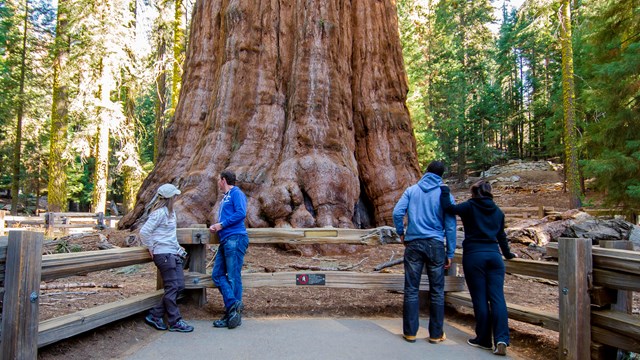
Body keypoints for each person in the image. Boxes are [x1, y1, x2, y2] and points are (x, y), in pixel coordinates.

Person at [440, 180, 516, 356]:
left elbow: (448, 208)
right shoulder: (498, 212)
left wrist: (444, 190)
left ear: (474, 192)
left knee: (480, 298)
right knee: (498, 298)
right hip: (495, 257)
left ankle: (483, 339)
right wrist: (508, 254)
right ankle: (502, 338)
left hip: (474, 256)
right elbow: (502, 237)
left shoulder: (469, 207)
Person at [392, 161, 457, 344]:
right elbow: (451, 226)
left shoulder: (412, 191)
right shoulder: (445, 194)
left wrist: (401, 233)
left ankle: (410, 332)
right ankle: (436, 334)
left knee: (411, 288)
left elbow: (398, 212)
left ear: (426, 172)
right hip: (436, 244)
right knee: (437, 290)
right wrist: (450, 252)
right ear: (441, 176)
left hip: (413, 244)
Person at [140, 183, 194, 333]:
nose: (177, 197)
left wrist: (178, 248)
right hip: (163, 254)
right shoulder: (159, 213)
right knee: (172, 288)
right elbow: (144, 232)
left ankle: (155, 315)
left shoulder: (171, 213)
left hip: (172, 253)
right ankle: (175, 321)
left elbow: (170, 235)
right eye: (174, 195)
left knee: (180, 286)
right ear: (170, 198)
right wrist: (151, 247)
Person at [209, 170, 249, 329]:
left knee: (233, 276)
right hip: (226, 240)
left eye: (219, 180)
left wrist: (221, 225)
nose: (218, 183)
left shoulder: (236, 193)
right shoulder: (226, 197)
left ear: (223, 180)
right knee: (217, 274)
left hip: (235, 238)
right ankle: (233, 305)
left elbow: (241, 213)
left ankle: (232, 315)